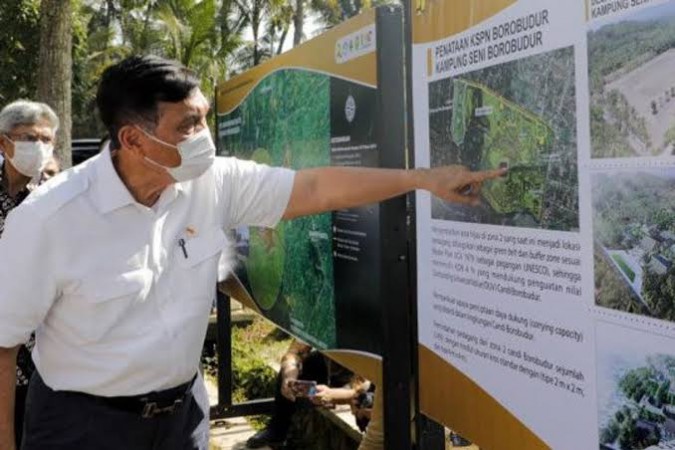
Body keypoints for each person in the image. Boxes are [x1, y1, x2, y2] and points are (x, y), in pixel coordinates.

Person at [0, 55, 503, 450]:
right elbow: (3, 345)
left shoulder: (210, 181)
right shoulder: (49, 219)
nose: (204, 139)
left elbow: (314, 189)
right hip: (83, 426)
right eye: (187, 126)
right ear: (133, 138)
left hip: (183, 419)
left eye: (203, 120)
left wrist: (423, 180)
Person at [0, 99, 59, 448]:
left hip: (44, 352)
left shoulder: (55, 199)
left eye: (46, 140)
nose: (39, 147)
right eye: (29, 138)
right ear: (4, 143)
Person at [246, 340, 355, 448]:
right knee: (291, 373)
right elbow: (294, 351)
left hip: (357, 376)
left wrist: (337, 395)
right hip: (330, 365)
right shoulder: (322, 323)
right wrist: (289, 370)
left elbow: (367, 383)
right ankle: (277, 431)